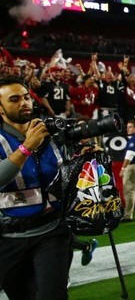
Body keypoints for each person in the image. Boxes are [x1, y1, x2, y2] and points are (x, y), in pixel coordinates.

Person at [0, 76, 70, 299]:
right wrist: (27, 147)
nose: (24, 102)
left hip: (52, 230)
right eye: (14, 99)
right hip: (8, 237)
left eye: (26, 97)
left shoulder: (51, 132)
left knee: (52, 295)